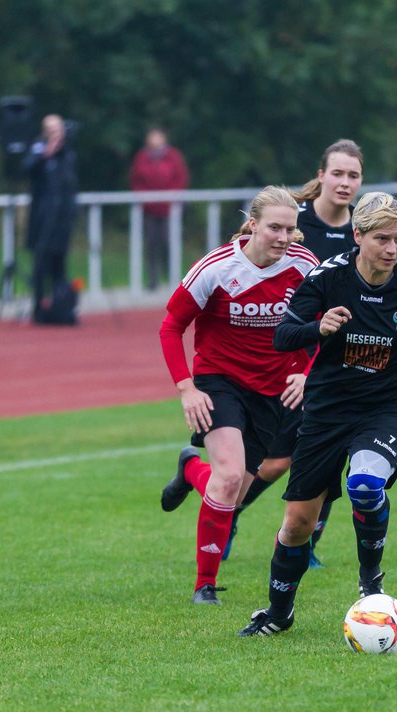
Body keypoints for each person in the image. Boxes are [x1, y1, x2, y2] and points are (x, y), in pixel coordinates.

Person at [237, 192, 397, 638]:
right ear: (357, 235)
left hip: (388, 408)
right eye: (382, 239)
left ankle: (371, 584)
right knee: (297, 524)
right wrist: (319, 326)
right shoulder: (326, 279)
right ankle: (278, 612)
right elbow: (284, 336)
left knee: (365, 484)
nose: (392, 249)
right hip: (327, 411)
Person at [156, 187, 320, 605]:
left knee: (234, 488)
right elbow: (171, 326)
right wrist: (186, 388)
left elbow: (322, 326)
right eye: (274, 228)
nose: (284, 237)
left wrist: (307, 372)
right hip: (218, 381)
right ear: (253, 225)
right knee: (228, 479)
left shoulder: (304, 267)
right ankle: (204, 586)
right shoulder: (216, 267)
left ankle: (191, 468)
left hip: (273, 391)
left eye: (291, 229)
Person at [224, 139, 365, 567]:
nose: (344, 183)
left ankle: (306, 545)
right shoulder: (291, 222)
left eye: (353, 175)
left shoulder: (362, 228)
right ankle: (228, 513)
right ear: (321, 175)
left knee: (333, 451)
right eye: (337, 173)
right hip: (289, 357)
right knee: (275, 460)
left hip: (340, 358)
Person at [23, 114, 79, 325]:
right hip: (41, 220)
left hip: (62, 220)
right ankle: (38, 309)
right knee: (40, 266)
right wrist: (47, 152)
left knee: (60, 265)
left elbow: (70, 182)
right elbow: (27, 169)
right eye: (53, 129)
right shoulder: (38, 149)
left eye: (60, 128)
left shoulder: (67, 154)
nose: (58, 133)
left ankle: (59, 308)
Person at [128, 127, 190, 290]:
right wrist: (144, 199)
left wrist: (172, 197)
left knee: (169, 242)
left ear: (164, 139)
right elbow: (135, 180)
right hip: (148, 209)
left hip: (170, 209)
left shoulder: (173, 156)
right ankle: (153, 280)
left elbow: (181, 178)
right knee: (151, 244)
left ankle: (174, 278)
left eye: (158, 137)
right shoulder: (142, 157)